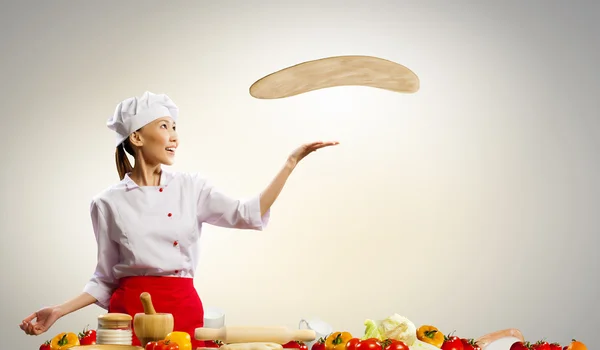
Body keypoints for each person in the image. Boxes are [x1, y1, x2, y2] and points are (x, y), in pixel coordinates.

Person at [20, 91, 338, 347]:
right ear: (137, 137)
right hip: (130, 315)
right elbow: (104, 279)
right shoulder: (107, 202)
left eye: (175, 128)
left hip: (184, 311)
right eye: (164, 126)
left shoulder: (191, 187)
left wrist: (291, 162)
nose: (174, 137)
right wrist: (59, 310)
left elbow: (247, 213)